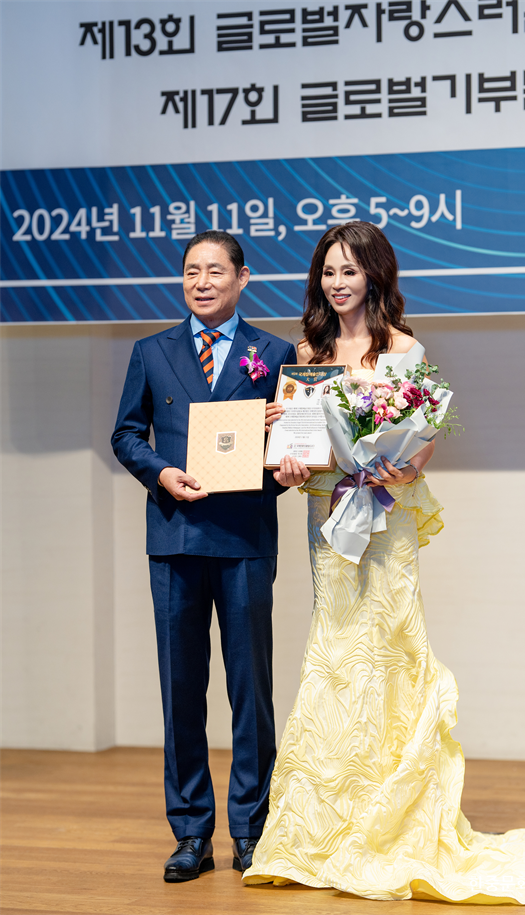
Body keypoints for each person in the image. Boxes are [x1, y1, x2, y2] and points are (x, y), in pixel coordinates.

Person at [243, 223, 525, 903]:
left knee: (391, 650)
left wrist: (398, 468)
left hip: (385, 516)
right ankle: (326, 822)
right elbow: (303, 453)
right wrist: (286, 457)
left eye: (350, 270)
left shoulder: (404, 348)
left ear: (375, 275)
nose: (338, 283)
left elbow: (424, 436)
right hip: (328, 516)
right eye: (328, 271)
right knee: (335, 653)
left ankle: (395, 817)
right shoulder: (306, 353)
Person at [111, 231, 308, 883]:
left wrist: (288, 468)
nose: (202, 281)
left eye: (215, 271)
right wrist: (160, 472)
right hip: (174, 538)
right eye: (192, 271)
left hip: (245, 537)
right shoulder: (151, 351)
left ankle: (252, 829)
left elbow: (288, 450)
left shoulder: (274, 353)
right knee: (181, 690)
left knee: (251, 689)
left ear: (242, 279)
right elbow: (126, 434)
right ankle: (191, 831)